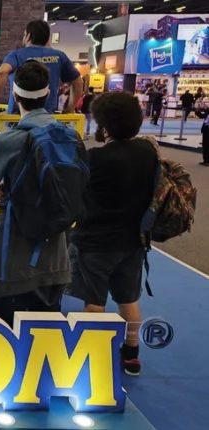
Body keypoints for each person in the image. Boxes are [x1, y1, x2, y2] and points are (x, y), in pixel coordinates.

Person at [68, 92, 158, 376]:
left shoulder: (95, 158)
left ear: (104, 125)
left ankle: (89, 358)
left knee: (94, 302)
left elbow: (76, 193)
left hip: (95, 243)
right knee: (128, 299)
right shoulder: (148, 152)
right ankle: (131, 355)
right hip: (133, 241)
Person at [0, 62, 71, 325]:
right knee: (46, 329)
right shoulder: (68, 135)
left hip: (14, 249)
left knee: (5, 329)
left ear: (15, 96)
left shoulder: (9, 139)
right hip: (55, 248)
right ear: (48, 93)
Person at [0, 20, 83, 116]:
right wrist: (70, 109)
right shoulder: (59, 56)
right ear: (47, 38)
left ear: (28, 36)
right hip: (47, 118)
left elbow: (1, 73)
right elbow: (78, 82)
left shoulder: (16, 55)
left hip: (17, 118)